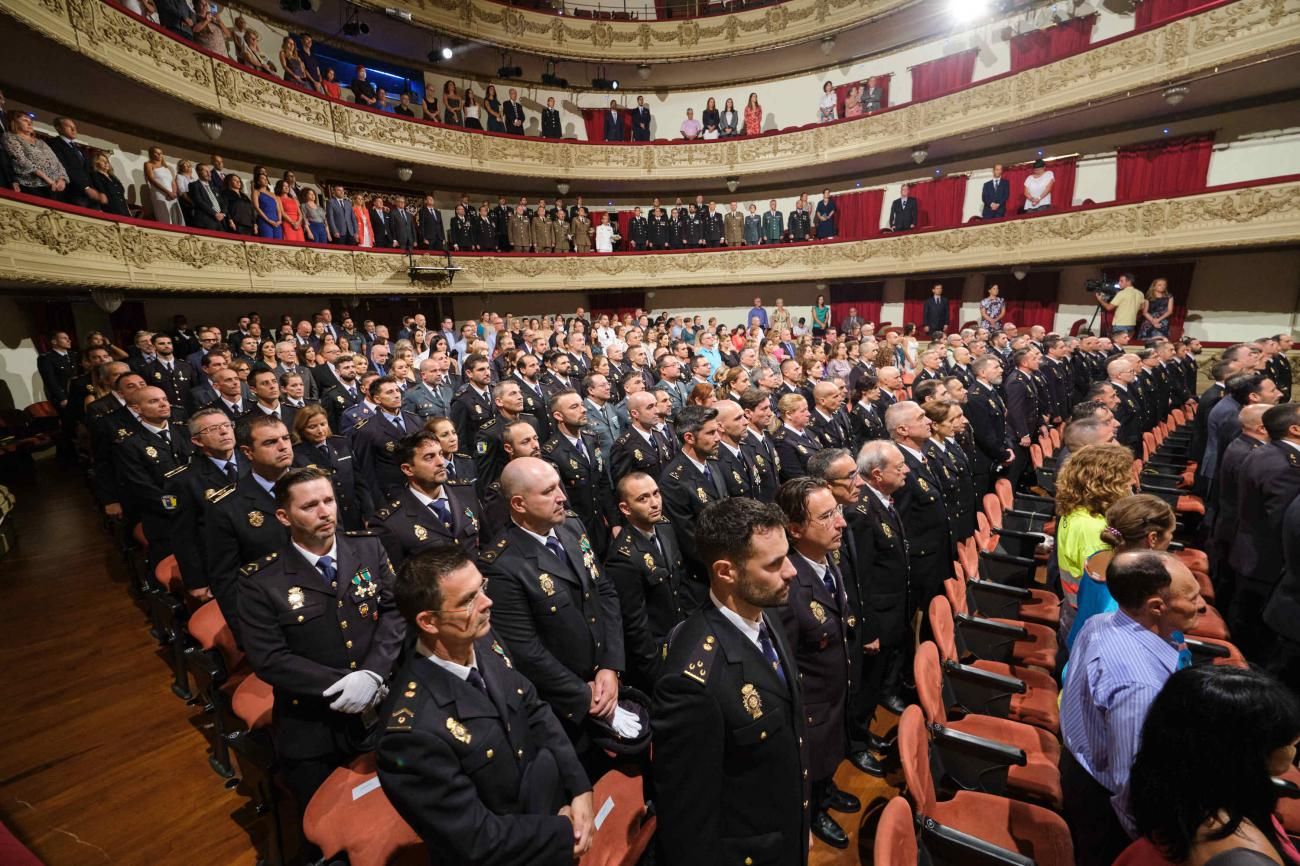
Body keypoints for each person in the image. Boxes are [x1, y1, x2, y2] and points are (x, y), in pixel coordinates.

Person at [377, 545, 595, 866]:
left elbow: (534, 708)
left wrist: (579, 787)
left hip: (544, 811)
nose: (487, 603)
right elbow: (476, 839)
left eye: (482, 588)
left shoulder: (482, 640)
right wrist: (562, 831)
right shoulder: (411, 731)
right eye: (468, 600)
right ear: (428, 621)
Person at [651, 497, 809, 866]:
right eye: (773, 564)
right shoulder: (691, 681)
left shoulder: (763, 611)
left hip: (785, 830)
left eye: (786, 556)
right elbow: (689, 822)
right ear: (726, 572)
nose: (791, 572)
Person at [238, 466, 404, 810]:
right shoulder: (261, 581)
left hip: (385, 701)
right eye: (310, 505)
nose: (325, 511)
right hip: (314, 721)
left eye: (328, 500)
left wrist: (372, 673)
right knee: (323, 823)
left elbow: (394, 612)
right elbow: (270, 658)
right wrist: (346, 684)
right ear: (284, 516)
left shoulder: (368, 548)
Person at [1060, 550, 1204, 866]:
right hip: (1105, 808)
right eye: (1192, 597)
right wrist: (1148, 847)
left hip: (1079, 763)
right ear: (1156, 607)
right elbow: (1130, 789)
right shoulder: (1140, 686)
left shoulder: (1099, 623)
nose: (1202, 605)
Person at [479, 458, 624, 769]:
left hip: (604, 678)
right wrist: (583, 693)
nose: (562, 496)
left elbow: (604, 592)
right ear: (518, 503)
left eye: (559, 486)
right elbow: (525, 651)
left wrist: (611, 666)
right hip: (564, 705)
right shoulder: (501, 564)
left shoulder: (571, 525)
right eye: (548, 491)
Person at [1128, 666, 1300, 866]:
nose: (1293, 746)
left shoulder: (1180, 799)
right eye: (1283, 740)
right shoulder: (1244, 860)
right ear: (1243, 755)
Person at [776, 477, 861, 849]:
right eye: (827, 516)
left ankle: (826, 794)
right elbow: (786, 662)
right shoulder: (788, 585)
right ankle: (812, 813)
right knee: (811, 768)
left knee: (829, 757)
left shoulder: (826, 558)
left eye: (838, 511)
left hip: (833, 692)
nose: (841, 522)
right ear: (795, 529)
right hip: (810, 705)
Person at [1095, 272, 1145, 337]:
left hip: (1120, 324)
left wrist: (1100, 300)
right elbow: (1142, 307)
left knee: (1118, 344)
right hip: (1132, 324)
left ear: (1129, 282)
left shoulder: (1122, 293)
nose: (1119, 283)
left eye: (1121, 281)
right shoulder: (1140, 293)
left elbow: (1109, 307)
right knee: (1127, 344)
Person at [89, 152, 130, 217]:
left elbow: (121, 195)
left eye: (107, 161)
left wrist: (128, 210)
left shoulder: (113, 177)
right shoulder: (95, 176)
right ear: (96, 163)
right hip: (109, 211)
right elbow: (98, 193)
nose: (106, 163)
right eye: (102, 161)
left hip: (124, 211)